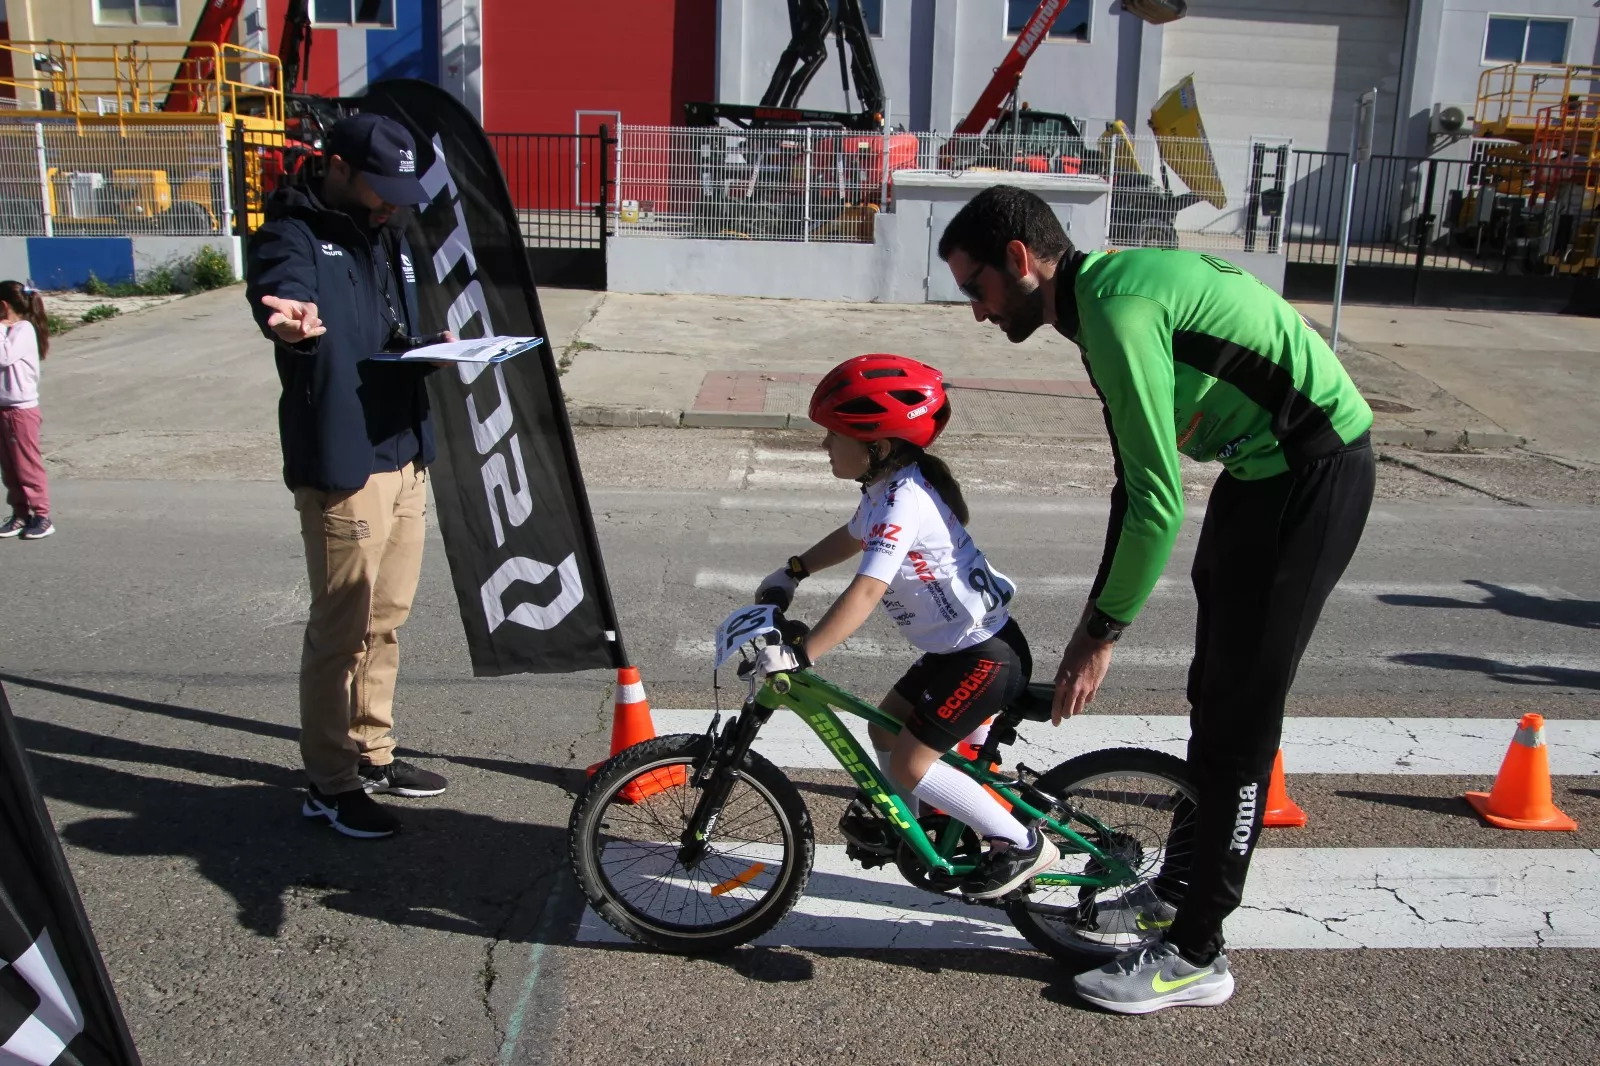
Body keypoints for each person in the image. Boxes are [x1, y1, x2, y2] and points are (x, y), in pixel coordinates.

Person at [938, 185, 1375, 1013]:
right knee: (1212, 698)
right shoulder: (1102, 298)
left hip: (1314, 475)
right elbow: (1133, 483)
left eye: (976, 287)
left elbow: (1155, 498)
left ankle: (1197, 954)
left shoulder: (1115, 313)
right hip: (1262, 474)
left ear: (1021, 262)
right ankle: (1178, 892)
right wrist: (1096, 621)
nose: (977, 310)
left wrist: (1099, 633)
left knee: (1240, 723)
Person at [753, 354, 1058, 900]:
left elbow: (866, 590)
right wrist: (794, 569)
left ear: (879, 446)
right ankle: (909, 833)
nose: (824, 445)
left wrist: (806, 654)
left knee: (914, 762)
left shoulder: (905, 500)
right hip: (956, 652)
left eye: (834, 435)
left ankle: (1021, 843)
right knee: (884, 727)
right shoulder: (886, 490)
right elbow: (851, 537)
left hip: (984, 657)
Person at [245, 112, 451, 840]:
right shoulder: (290, 236)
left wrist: (434, 347)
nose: (393, 201)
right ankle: (329, 782)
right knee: (342, 632)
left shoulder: (387, 234)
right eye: (380, 187)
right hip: (344, 461)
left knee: (386, 622)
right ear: (337, 167)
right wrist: (289, 322)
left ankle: (373, 749)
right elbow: (282, 292)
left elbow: (387, 331)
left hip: (403, 451)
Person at [0, 280, 53, 541]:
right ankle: (20, 514)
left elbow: (3, 357)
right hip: (4, 409)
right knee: (9, 469)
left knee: (26, 466)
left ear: (3, 306)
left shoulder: (22, 329)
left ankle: (42, 515)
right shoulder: (9, 330)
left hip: (21, 411)